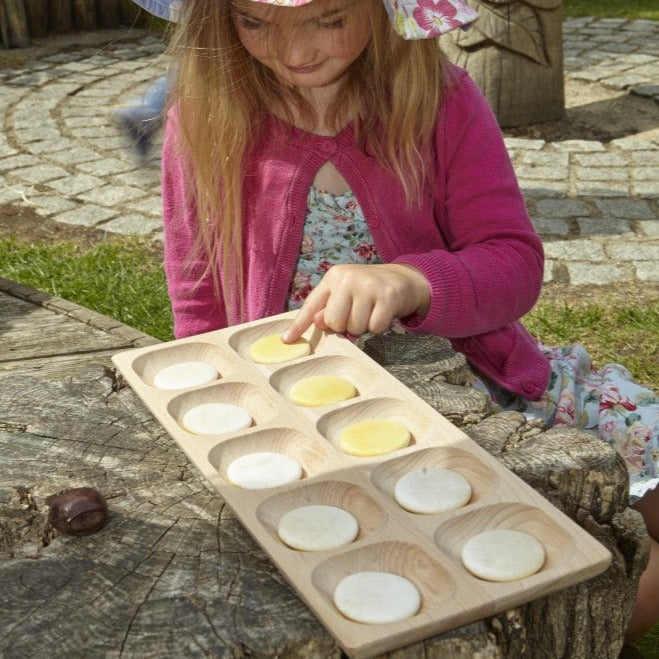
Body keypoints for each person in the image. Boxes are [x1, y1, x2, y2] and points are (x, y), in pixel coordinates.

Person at [135, 0, 658, 644]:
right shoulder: (206, 119)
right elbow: (198, 301)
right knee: (565, 579)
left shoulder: (440, 100)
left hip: (480, 386)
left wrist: (412, 280)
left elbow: (513, 263)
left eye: (328, 20)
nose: (294, 50)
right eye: (253, 21)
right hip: (306, 425)